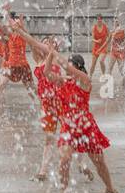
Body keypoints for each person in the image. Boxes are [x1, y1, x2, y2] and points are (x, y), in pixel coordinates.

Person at [11, 22, 95, 184]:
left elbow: (34, 43)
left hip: (60, 102)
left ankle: (83, 166)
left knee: (70, 135)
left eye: (48, 41)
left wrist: (20, 30)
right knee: (49, 138)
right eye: (44, 41)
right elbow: (31, 43)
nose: (46, 43)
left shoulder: (53, 57)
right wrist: (20, 30)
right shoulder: (38, 59)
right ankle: (43, 171)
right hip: (47, 104)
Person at [43, 47, 122, 193]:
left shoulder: (85, 80)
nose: (68, 70)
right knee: (64, 160)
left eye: (72, 66)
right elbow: (46, 73)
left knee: (99, 163)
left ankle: (110, 187)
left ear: (78, 68)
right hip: (69, 126)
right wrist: (50, 54)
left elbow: (66, 67)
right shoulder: (63, 82)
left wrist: (55, 53)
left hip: (86, 127)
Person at [0, 12, 35, 115]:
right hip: (11, 65)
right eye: (15, 22)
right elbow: (2, 30)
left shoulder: (23, 36)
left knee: (30, 88)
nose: (16, 24)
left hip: (23, 66)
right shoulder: (10, 35)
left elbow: (24, 32)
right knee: (2, 84)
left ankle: (40, 103)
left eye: (18, 23)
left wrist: (21, 24)